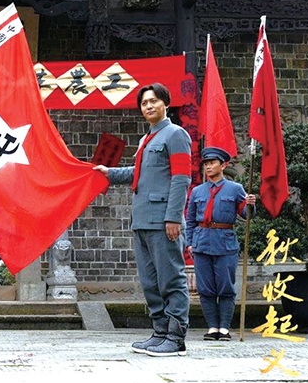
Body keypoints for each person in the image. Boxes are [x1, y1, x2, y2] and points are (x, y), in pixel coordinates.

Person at [94, 83, 192, 357]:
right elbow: (138, 173)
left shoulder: (176, 134)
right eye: (144, 103)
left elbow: (182, 178)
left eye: (154, 101)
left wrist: (173, 217)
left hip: (163, 221)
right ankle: (160, 332)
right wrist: (109, 173)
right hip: (142, 220)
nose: (148, 106)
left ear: (166, 104)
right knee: (150, 282)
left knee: (171, 279)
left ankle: (176, 338)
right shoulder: (146, 139)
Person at [186, 147, 256, 341]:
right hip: (201, 243)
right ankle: (212, 327)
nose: (208, 167)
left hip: (225, 244)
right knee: (205, 288)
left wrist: (250, 205)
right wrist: (190, 244)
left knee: (225, 287)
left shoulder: (235, 189)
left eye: (212, 163)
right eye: (206, 164)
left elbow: (245, 215)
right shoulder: (197, 191)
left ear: (223, 165)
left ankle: (224, 328)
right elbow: (190, 220)